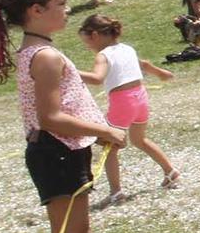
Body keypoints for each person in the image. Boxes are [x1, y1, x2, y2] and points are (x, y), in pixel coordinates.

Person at [0, 0, 138, 233]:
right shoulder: (44, 56)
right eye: (61, 3)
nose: (68, 9)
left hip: (60, 152)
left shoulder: (40, 50)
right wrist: (106, 130)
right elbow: (51, 116)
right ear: (36, 10)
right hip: (55, 153)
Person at [75, 13, 181, 203]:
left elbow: (97, 79)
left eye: (87, 42)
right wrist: (161, 73)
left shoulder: (103, 55)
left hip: (122, 101)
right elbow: (144, 65)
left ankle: (116, 192)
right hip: (140, 97)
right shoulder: (126, 48)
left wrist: (68, 71)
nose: (88, 47)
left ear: (95, 36)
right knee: (139, 139)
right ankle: (170, 171)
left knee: (110, 147)